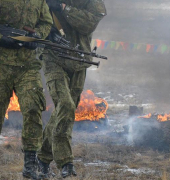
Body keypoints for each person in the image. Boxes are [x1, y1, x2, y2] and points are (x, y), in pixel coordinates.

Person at [0, 0, 53, 179]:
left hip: (28, 65)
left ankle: (30, 165)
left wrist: (36, 37)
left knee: (33, 107)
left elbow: (46, 22)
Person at [37, 0, 107, 178]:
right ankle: (65, 162)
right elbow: (29, 14)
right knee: (66, 105)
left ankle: (43, 158)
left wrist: (63, 8)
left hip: (79, 59)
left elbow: (88, 24)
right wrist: (47, 30)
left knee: (65, 110)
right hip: (53, 56)